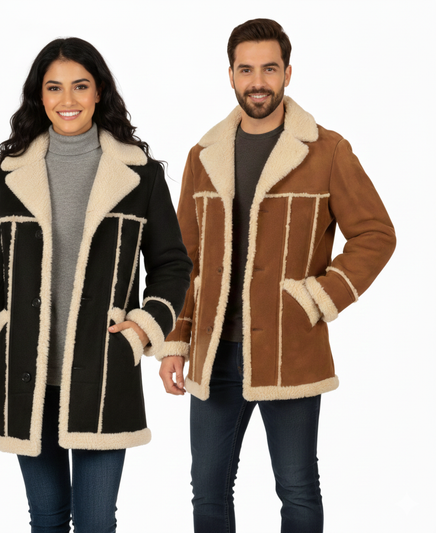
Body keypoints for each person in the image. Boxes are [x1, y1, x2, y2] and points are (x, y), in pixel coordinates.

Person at [158, 18, 396, 533]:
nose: (258, 82)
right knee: (208, 490)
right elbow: (184, 257)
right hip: (214, 351)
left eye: (269, 69)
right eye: (246, 70)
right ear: (230, 75)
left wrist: (318, 297)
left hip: (291, 348)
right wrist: (175, 340)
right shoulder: (203, 156)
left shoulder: (327, 150)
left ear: (288, 73)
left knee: (297, 488)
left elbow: (376, 234)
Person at [0, 37, 192, 532]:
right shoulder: (9, 178)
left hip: (104, 372)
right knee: (46, 520)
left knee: (95, 522)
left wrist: (141, 329)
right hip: (25, 375)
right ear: (39, 96)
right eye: (55, 87)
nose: (68, 99)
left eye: (80, 86)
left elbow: (173, 265)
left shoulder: (140, 175)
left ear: (99, 92)